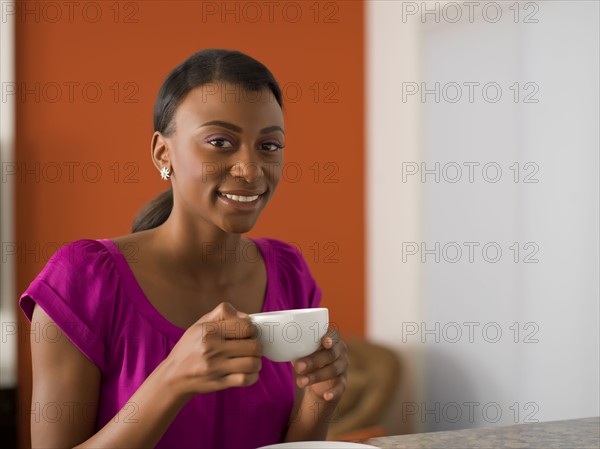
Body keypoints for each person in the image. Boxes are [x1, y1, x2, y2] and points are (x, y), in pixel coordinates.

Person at [19, 49, 348, 449]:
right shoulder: (80, 280)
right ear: (163, 154)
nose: (250, 169)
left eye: (269, 146)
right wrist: (173, 378)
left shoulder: (288, 272)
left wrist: (321, 396)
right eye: (220, 142)